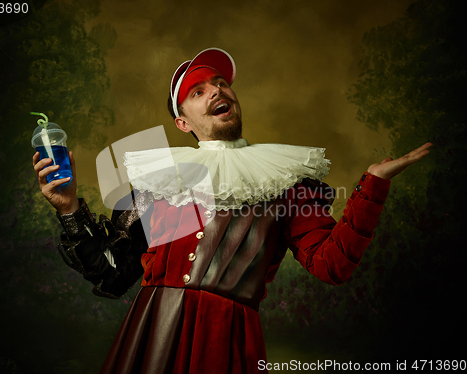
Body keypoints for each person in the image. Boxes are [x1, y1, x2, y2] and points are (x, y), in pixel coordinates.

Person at [33, 48, 432, 374]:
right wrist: (69, 207)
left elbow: (331, 264)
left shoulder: (285, 179)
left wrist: (373, 186)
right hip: (151, 338)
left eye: (220, 83)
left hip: (227, 345)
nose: (215, 91)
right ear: (183, 122)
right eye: (198, 91)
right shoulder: (163, 181)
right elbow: (114, 273)